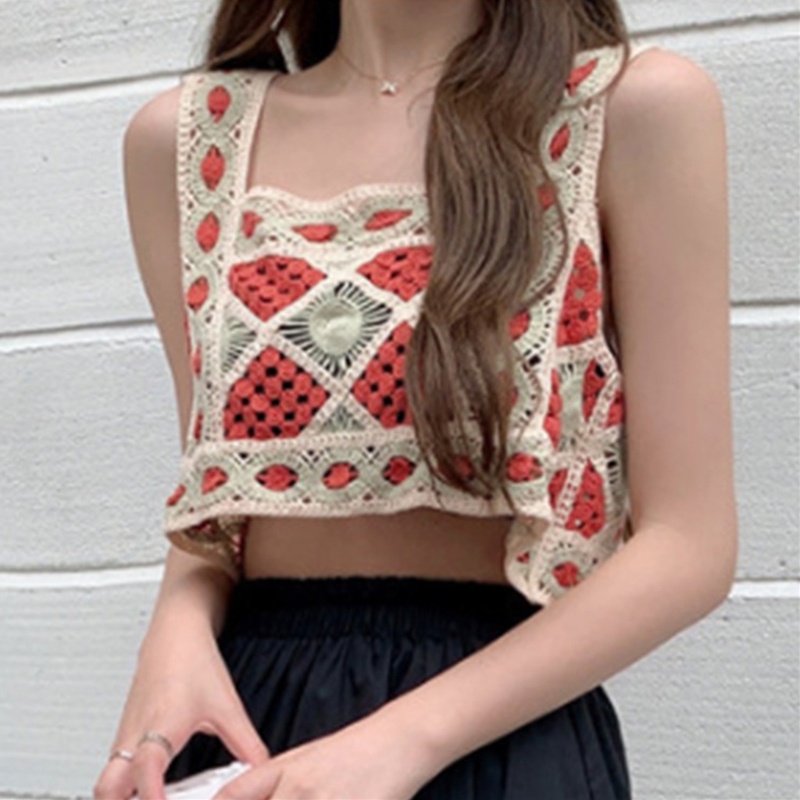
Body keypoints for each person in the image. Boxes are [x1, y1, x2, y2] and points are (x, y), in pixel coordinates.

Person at [94, 1, 739, 798]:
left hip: (500, 738)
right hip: (254, 728)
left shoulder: (630, 109)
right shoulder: (183, 143)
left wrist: (400, 743)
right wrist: (175, 632)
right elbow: (218, 498)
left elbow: (689, 545)